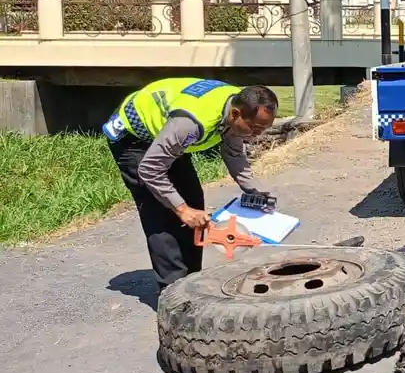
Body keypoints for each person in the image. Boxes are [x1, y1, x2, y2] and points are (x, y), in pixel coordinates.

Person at [103, 78, 279, 289]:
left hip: (169, 136)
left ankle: (192, 284)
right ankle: (172, 294)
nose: (257, 135)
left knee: (195, 205)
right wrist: (182, 209)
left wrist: (256, 191)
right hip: (134, 139)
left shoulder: (238, 106)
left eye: (263, 129)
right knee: (163, 214)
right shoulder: (192, 123)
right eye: (254, 128)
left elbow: (233, 153)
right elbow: (150, 170)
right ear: (235, 115)